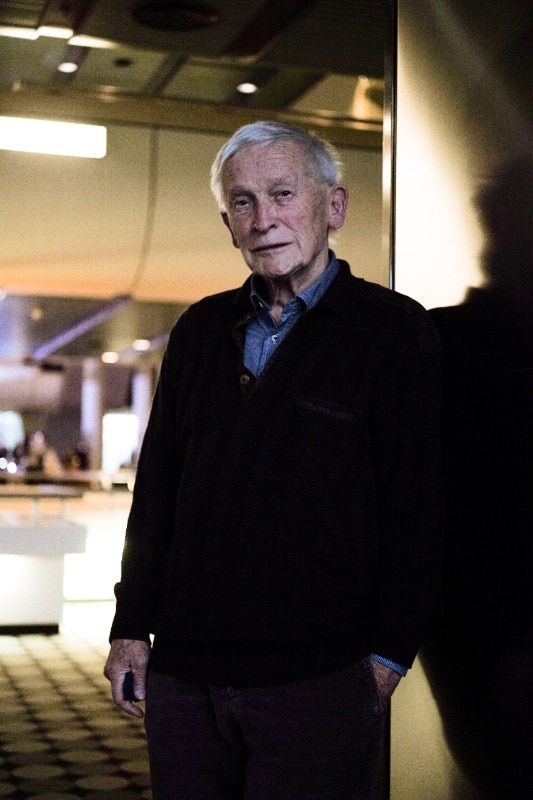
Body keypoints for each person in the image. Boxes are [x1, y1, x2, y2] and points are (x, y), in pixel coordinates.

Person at [104, 120, 444, 800]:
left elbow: (419, 506)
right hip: (185, 675)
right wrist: (130, 628)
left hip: (318, 676)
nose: (263, 220)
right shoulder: (200, 329)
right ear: (228, 224)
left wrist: (386, 657)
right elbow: (158, 492)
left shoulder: (393, 330)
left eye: (283, 194)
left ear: (333, 207)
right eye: (243, 201)